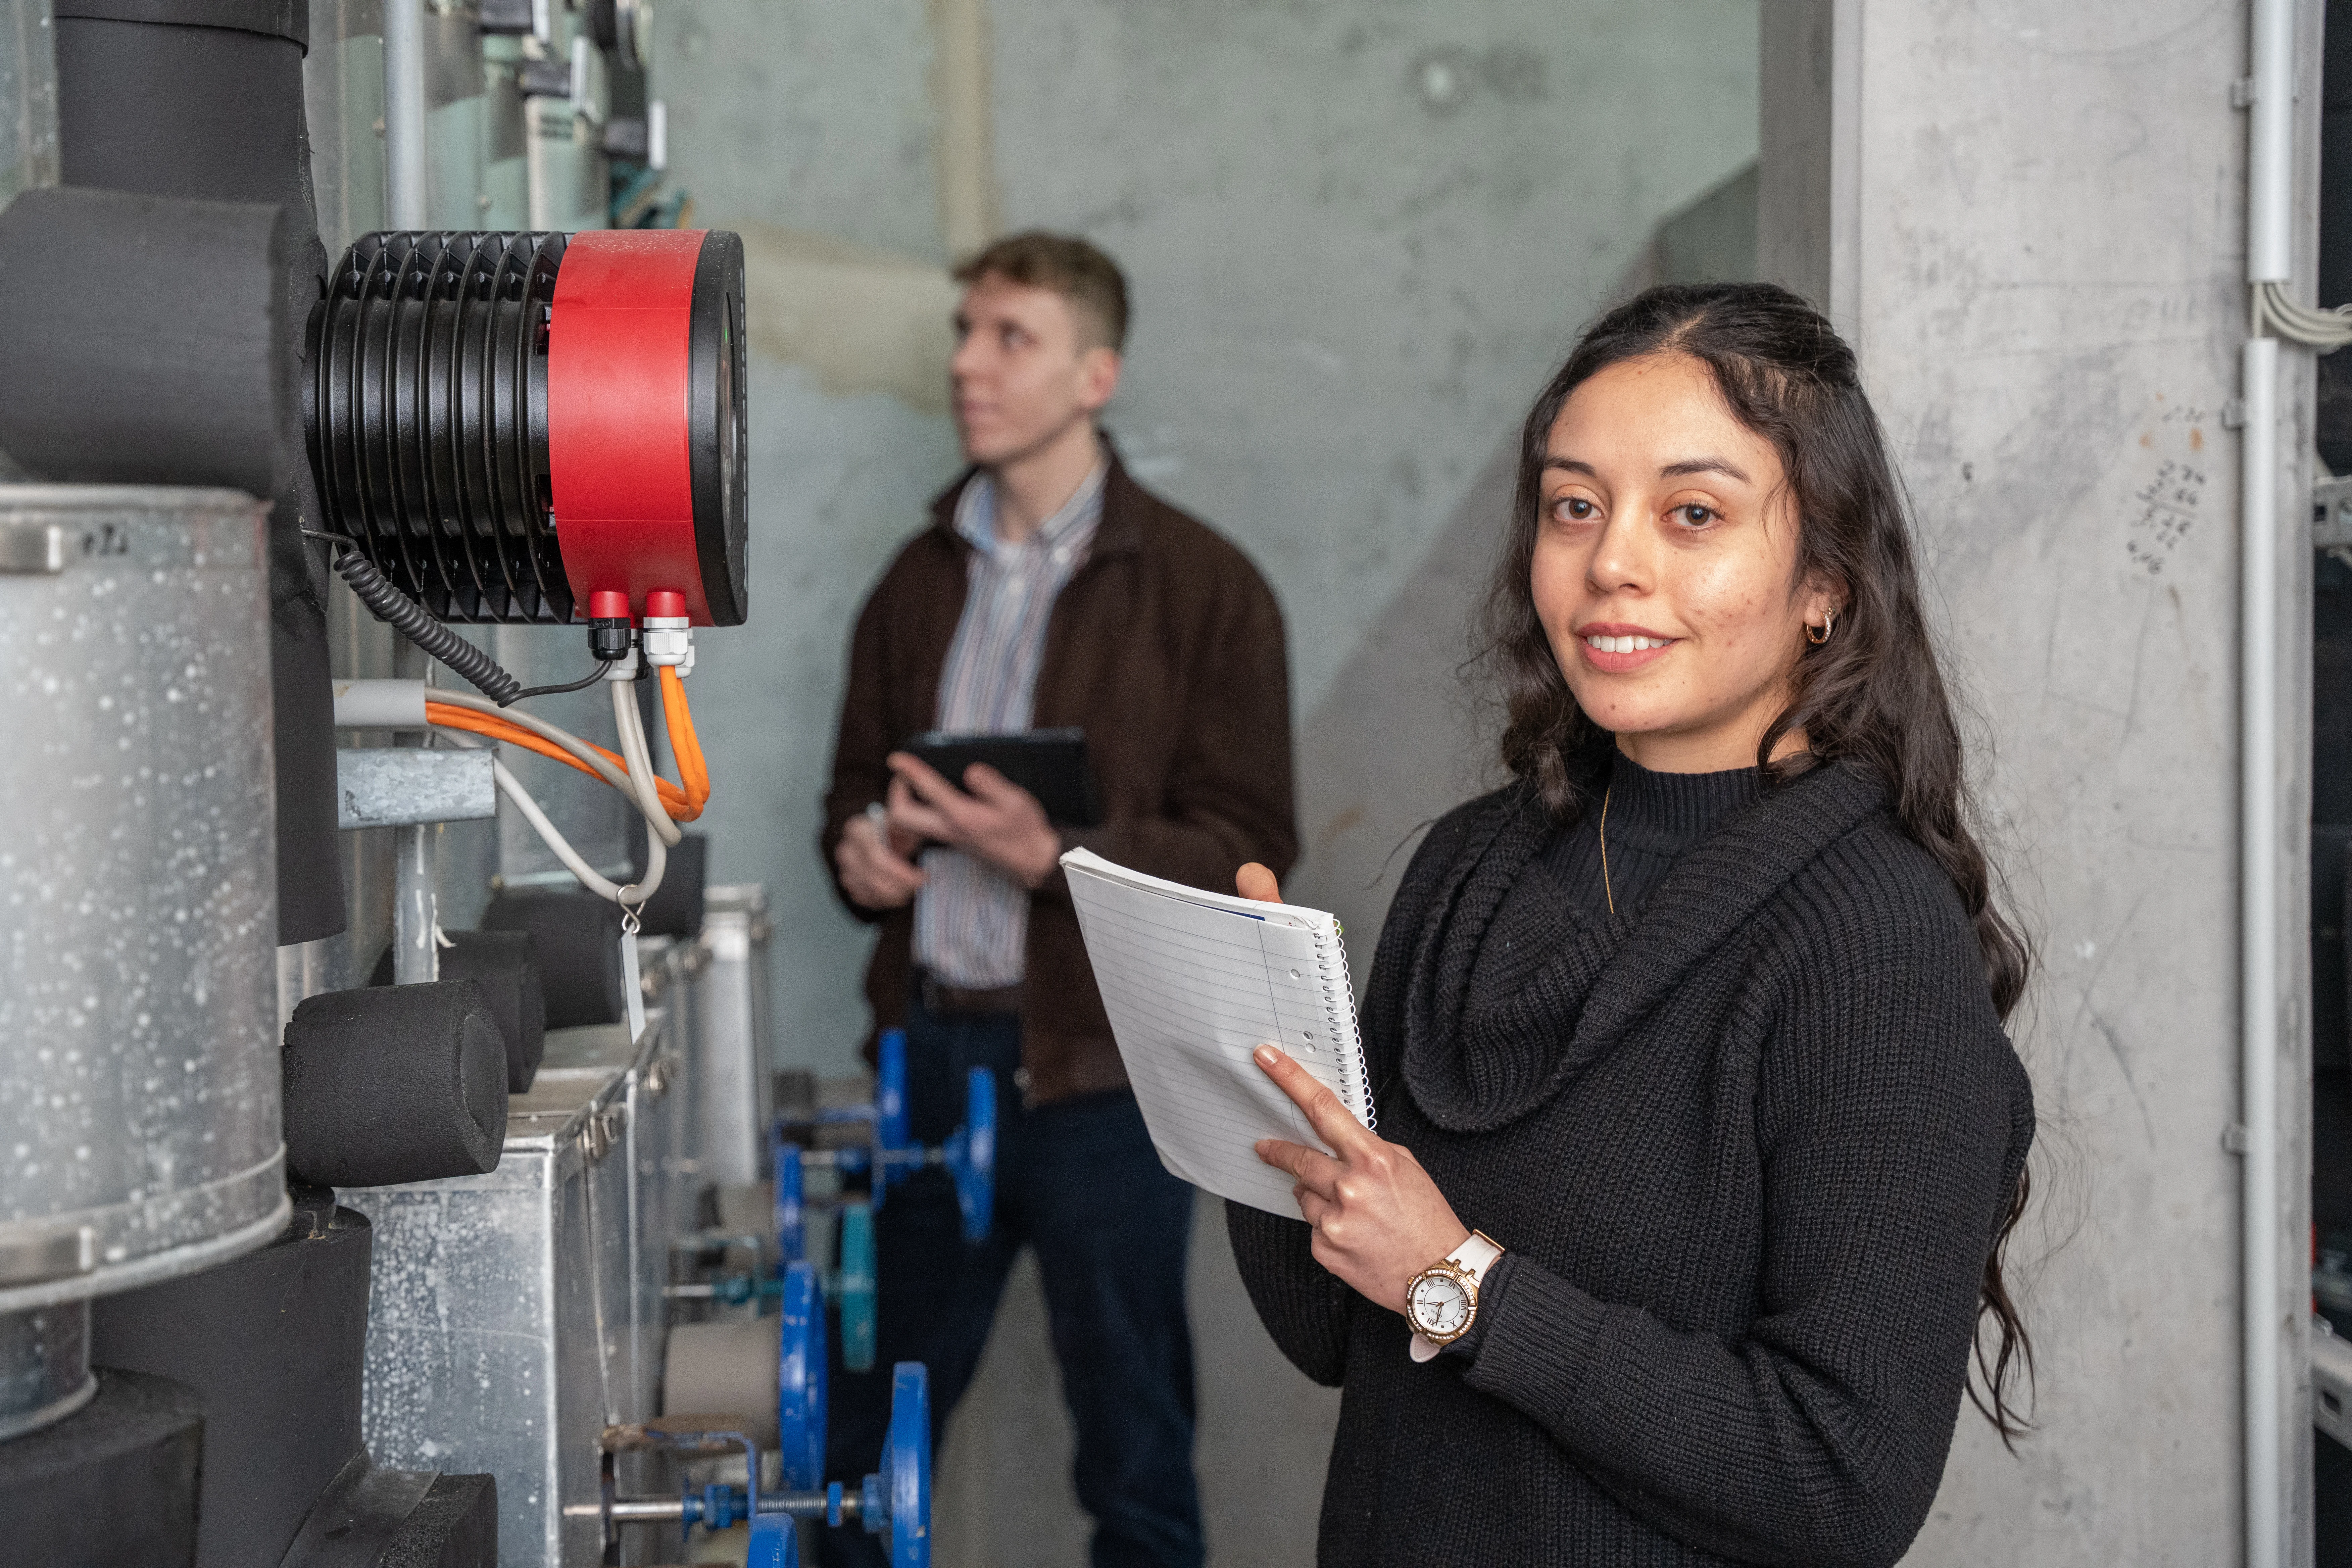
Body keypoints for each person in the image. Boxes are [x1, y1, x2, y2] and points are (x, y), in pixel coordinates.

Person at [1225, 282, 2037, 1567]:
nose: (1612, 562)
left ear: (1825, 584)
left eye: (1693, 513)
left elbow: (1842, 1484)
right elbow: (1332, 1337)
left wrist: (1465, 1284)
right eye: (1575, 506)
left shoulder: (1869, 942)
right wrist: (1256, 1056)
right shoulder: (1467, 865)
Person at [818, 231, 1296, 1568]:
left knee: (1136, 1458)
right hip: (926, 1063)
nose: (968, 365)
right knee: (855, 1458)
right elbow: (851, 794)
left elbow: (1254, 850)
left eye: (1009, 337)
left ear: (1097, 375)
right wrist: (863, 858)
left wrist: (1058, 855)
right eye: (965, 333)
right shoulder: (915, 581)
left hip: (1110, 1083)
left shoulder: (1208, 591)